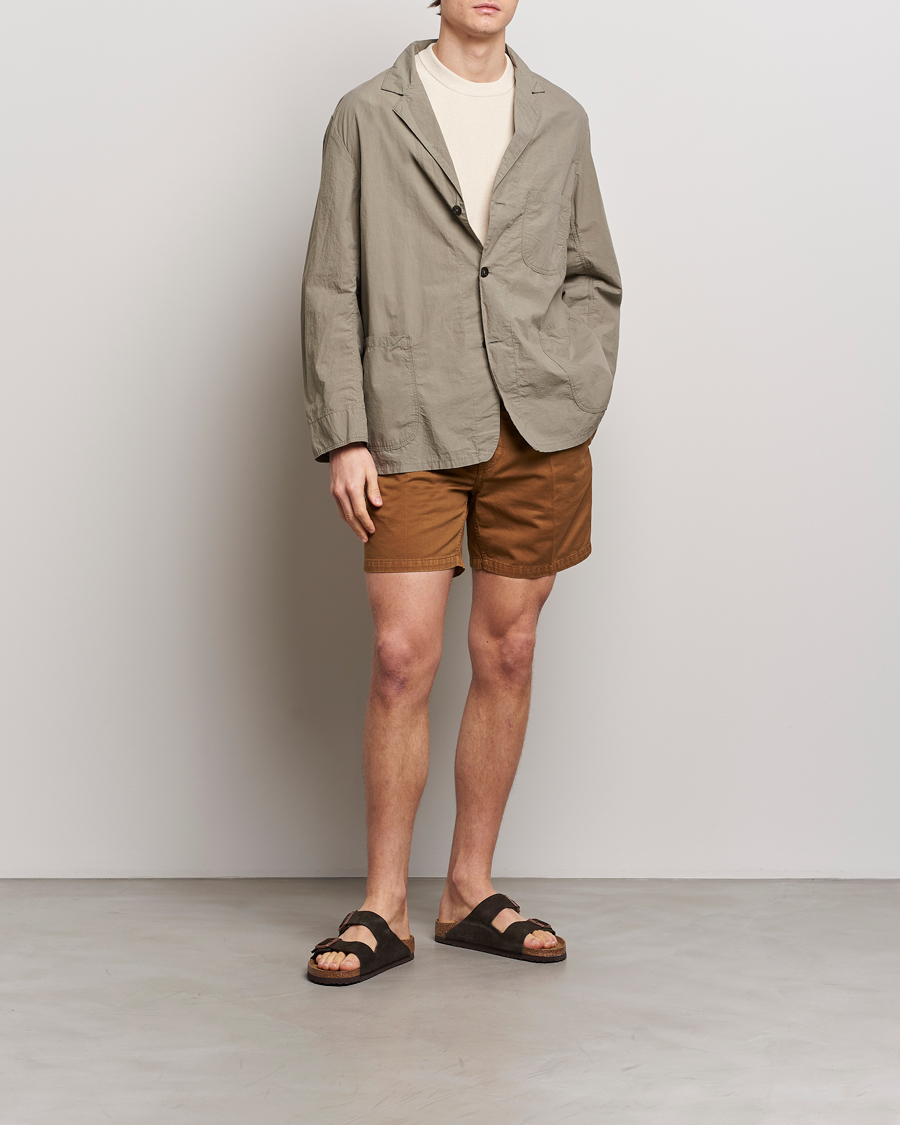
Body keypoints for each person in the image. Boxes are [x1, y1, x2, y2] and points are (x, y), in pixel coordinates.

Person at [301, 0, 622, 985]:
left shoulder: (560, 117)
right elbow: (332, 284)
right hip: (408, 420)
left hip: (538, 426)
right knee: (402, 657)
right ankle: (383, 904)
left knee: (510, 651)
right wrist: (345, 431)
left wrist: (575, 382)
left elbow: (592, 275)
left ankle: (469, 891)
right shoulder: (369, 112)